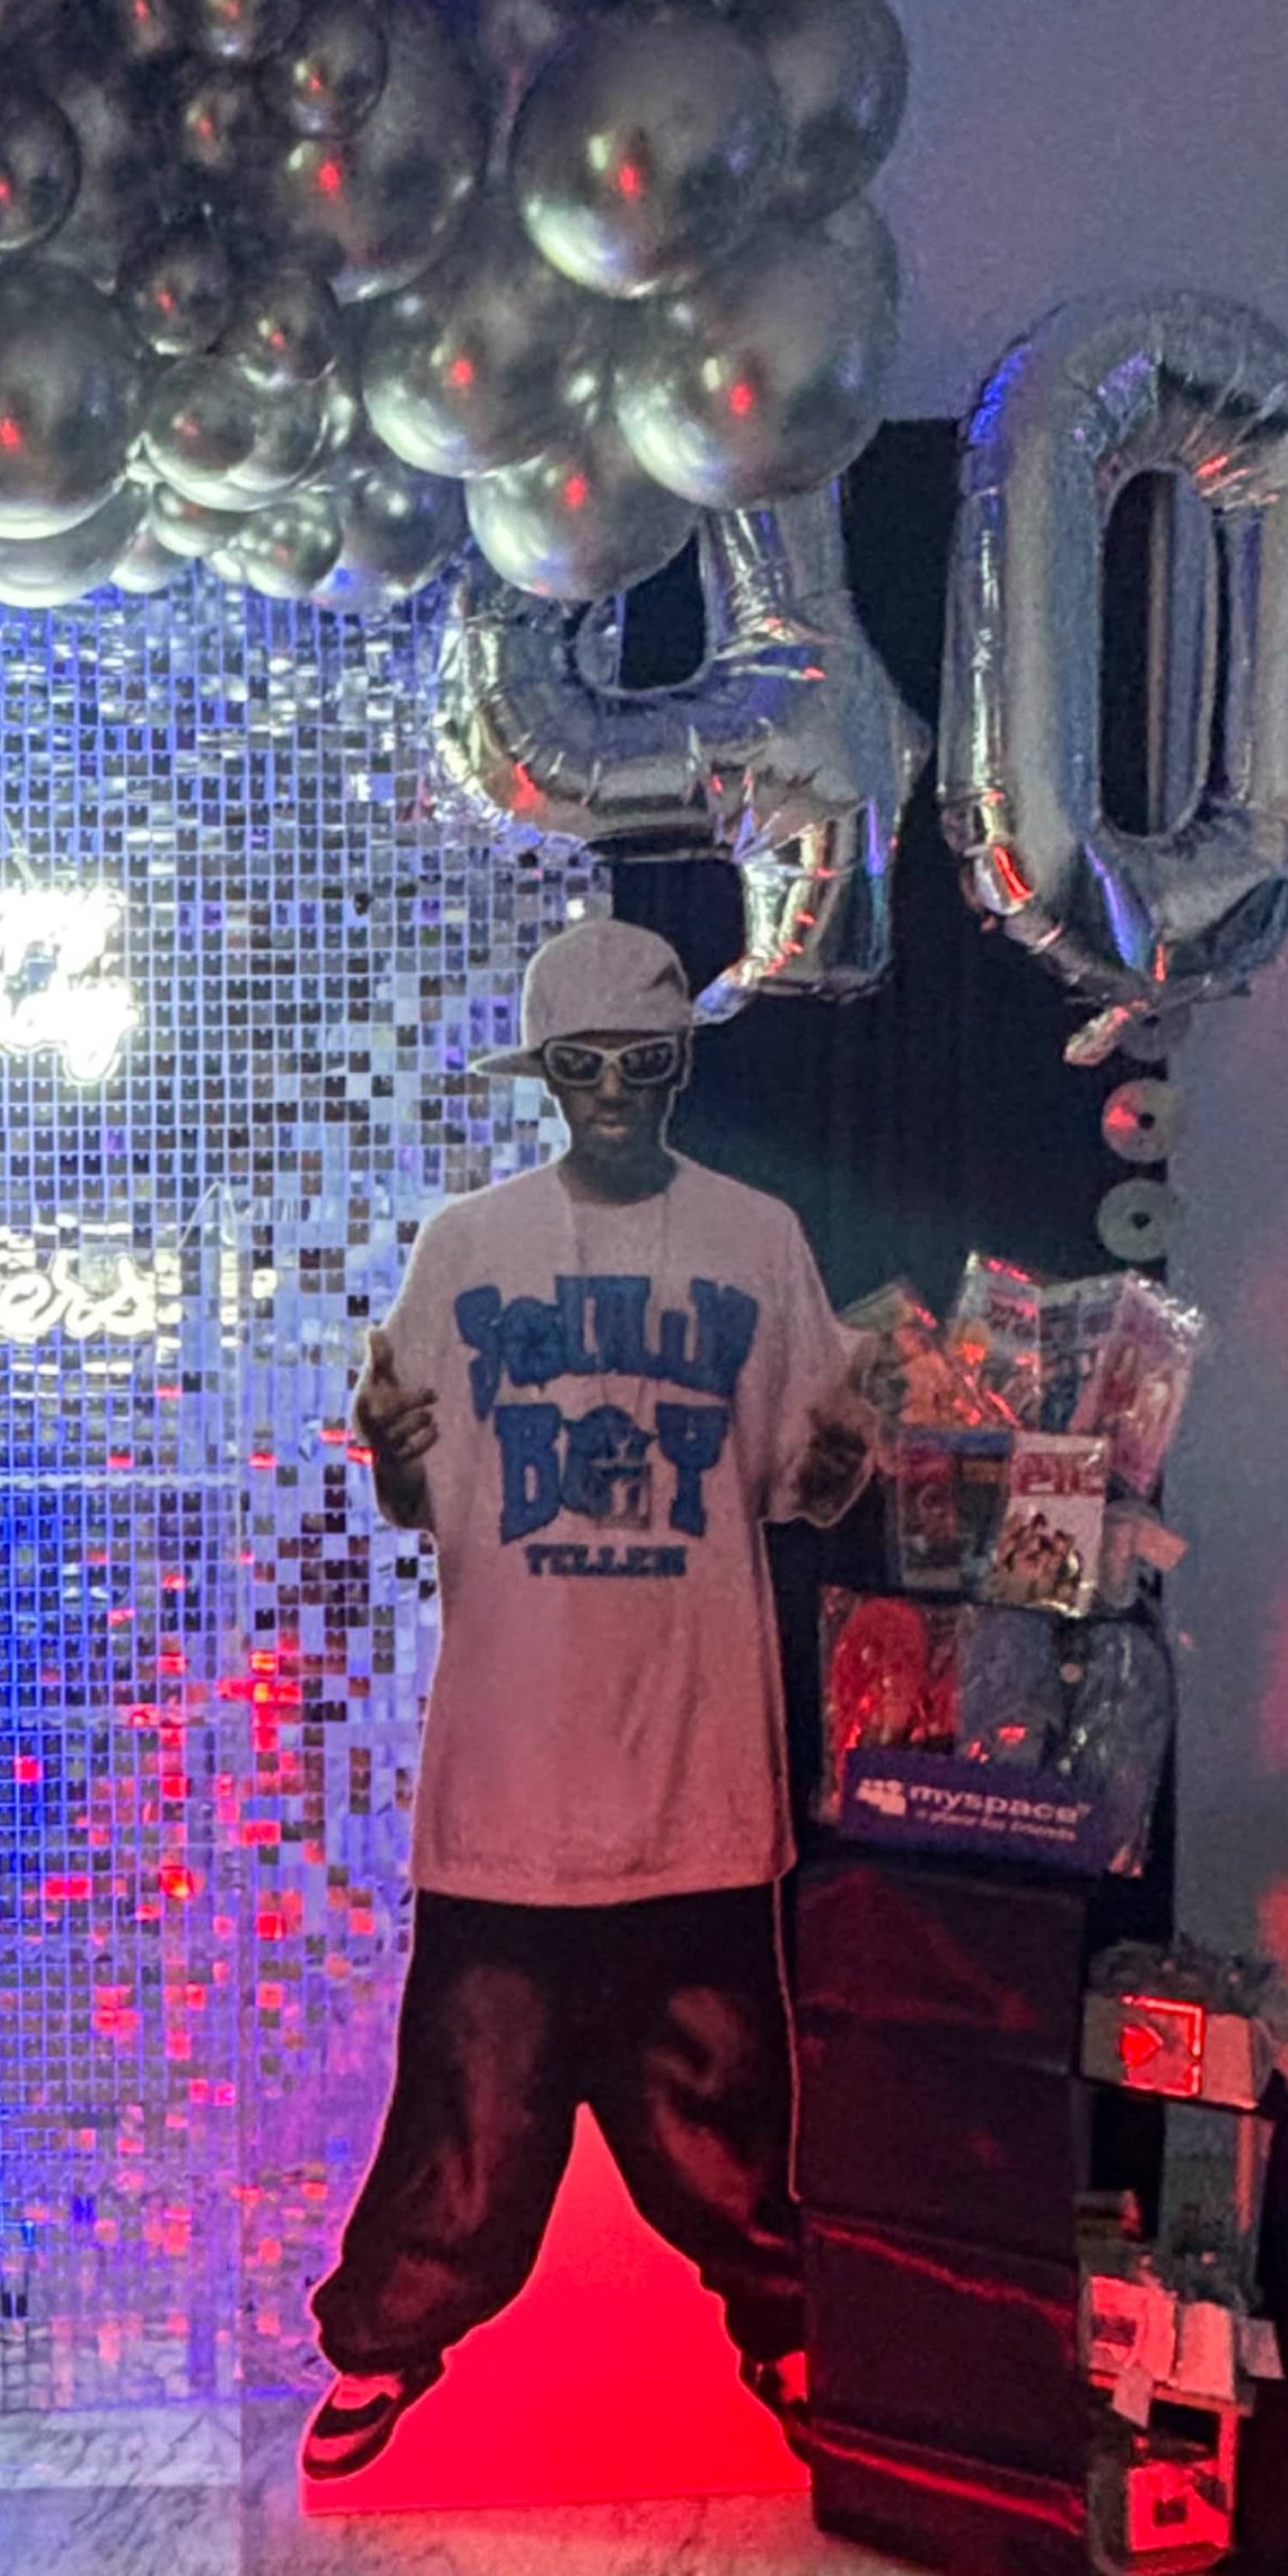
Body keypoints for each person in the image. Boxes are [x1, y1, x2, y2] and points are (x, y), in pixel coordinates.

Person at [303, 917, 875, 2483]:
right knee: (470, 2115)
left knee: (727, 2107)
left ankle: (785, 2323)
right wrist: (394, 1455)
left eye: (643, 1065)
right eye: (586, 1068)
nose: (615, 1094)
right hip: (511, 1768)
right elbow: (423, 1498)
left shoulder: (757, 1239)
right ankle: (386, 2342)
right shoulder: (465, 1245)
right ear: (548, 1078)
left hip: (695, 1764)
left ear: (682, 1068)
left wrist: (841, 1455)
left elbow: (798, 1485)